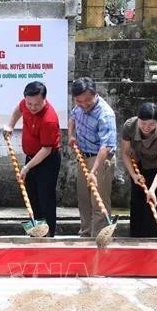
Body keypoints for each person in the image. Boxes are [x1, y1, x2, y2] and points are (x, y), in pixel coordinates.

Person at [4, 81, 61, 237]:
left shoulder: (49, 119)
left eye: (36, 104)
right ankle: (36, 230)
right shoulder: (26, 103)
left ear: (44, 99)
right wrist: (10, 125)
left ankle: (48, 233)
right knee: (31, 195)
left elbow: (46, 150)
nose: (32, 107)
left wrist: (27, 167)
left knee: (45, 197)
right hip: (31, 159)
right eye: (29, 103)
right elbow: (19, 109)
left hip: (47, 161)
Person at [67, 77, 117, 238]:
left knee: (98, 201)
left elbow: (106, 146)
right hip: (83, 157)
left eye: (87, 100)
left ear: (95, 94)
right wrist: (71, 136)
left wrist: (94, 171)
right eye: (79, 101)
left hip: (100, 160)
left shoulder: (105, 114)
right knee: (83, 199)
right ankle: (85, 234)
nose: (83, 104)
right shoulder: (79, 107)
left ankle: (99, 237)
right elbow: (72, 118)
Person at [120, 102, 157, 237]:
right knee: (136, 201)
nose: (147, 128)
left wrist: (152, 189)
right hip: (137, 165)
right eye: (143, 124)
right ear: (138, 119)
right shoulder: (129, 125)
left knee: (153, 203)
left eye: (151, 124)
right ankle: (135, 236)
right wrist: (133, 175)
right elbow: (124, 153)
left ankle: (151, 238)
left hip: (155, 169)